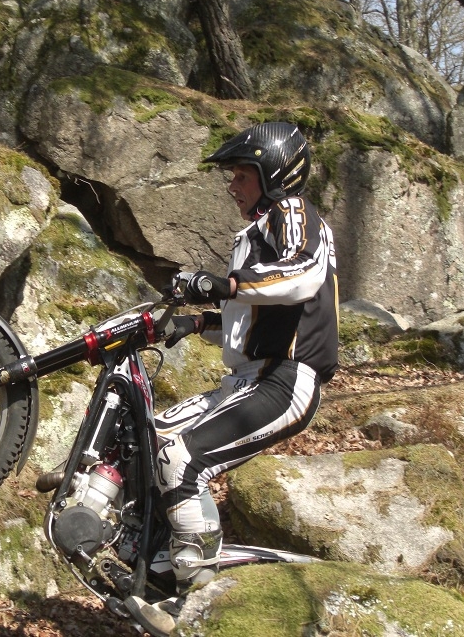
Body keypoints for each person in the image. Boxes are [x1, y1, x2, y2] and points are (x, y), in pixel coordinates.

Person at [124, 122, 339, 636]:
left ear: (274, 174)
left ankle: (197, 608)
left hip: (284, 379)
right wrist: (198, 322)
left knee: (181, 459)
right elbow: (253, 315)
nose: (231, 185)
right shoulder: (259, 233)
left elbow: (303, 274)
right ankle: (159, 563)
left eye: (242, 174)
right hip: (250, 378)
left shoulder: (292, 211)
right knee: (152, 437)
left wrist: (222, 284)